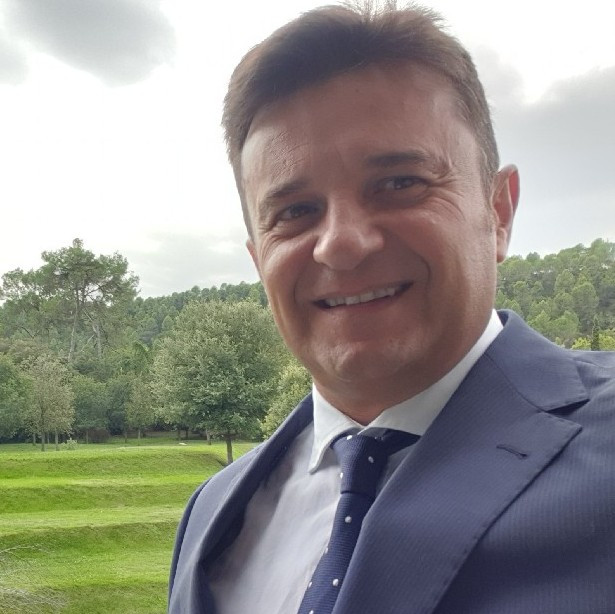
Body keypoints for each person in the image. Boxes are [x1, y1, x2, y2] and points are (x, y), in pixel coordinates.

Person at [168, 3, 615, 613]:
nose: (341, 243)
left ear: (499, 212)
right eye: (295, 212)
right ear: (257, 257)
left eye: (400, 183)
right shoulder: (213, 512)